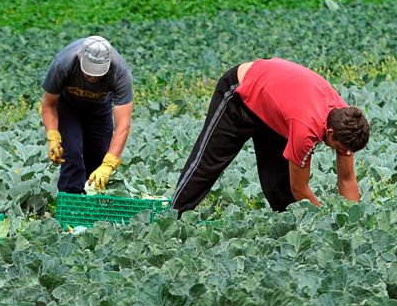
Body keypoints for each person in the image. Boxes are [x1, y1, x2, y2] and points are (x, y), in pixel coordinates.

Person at [171, 58, 370, 212]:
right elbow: (300, 188)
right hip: (241, 92)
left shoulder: (346, 120)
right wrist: (324, 222)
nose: (344, 153)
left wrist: (351, 220)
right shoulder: (305, 130)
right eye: (340, 148)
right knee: (208, 162)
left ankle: (291, 233)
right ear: (330, 132)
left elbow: (347, 179)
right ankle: (173, 214)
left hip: (277, 109)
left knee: (280, 185)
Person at [41, 35, 134, 193]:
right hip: (68, 106)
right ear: (80, 58)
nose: (92, 77)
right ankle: (71, 205)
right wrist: (53, 135)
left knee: (99, 157)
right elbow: (49, 104)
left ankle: (93, 204)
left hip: (100, 108)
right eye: (88, 72)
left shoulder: (120, 73)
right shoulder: (63, 64)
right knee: (71, 153)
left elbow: (123, 125)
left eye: (98, 74)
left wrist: (109, 164)